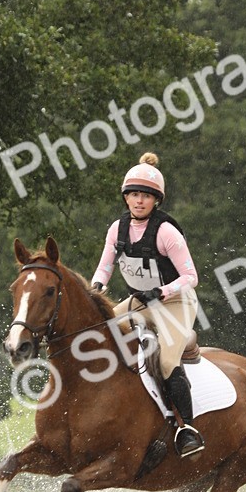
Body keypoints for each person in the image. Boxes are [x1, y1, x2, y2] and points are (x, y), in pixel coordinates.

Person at [91, 152, 205, 458]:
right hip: (139, 302)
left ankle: (187, 429)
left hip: (176, 303)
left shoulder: (166, 231)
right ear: (126, 198)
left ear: (156, 200)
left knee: (166, 362)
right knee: (98, 335)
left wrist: (163, 291)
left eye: (145, 196)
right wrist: (96, 287)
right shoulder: (117, 229)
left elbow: (191, 276)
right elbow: (105, 267)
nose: (139, 201)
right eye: (134, 195)